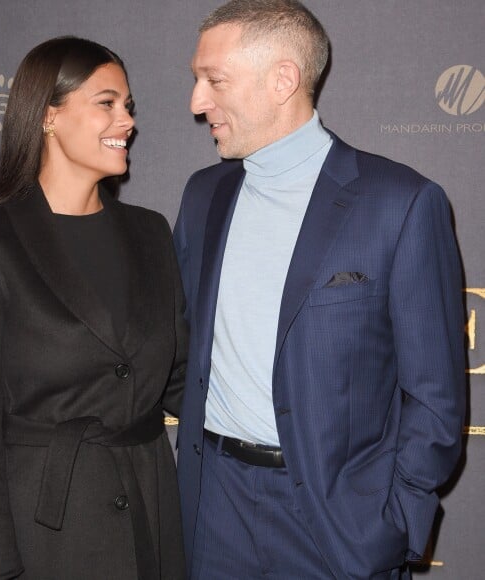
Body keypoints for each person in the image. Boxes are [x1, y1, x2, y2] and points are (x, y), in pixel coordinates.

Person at [173, 1, 465, 578]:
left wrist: (396, 522)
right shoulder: (203, 196)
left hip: (337, 522)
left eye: (214, 80)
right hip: (215, 510)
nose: (197, 102)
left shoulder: (399, 203)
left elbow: (435, 397)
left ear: (283, 80)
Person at [0, 36, 187, 580]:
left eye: (129, 107)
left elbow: (183, 380)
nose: (127, 121)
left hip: (153, 514)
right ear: (48, 117)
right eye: (107, 103)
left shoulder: (150, 233)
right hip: (46, 532)